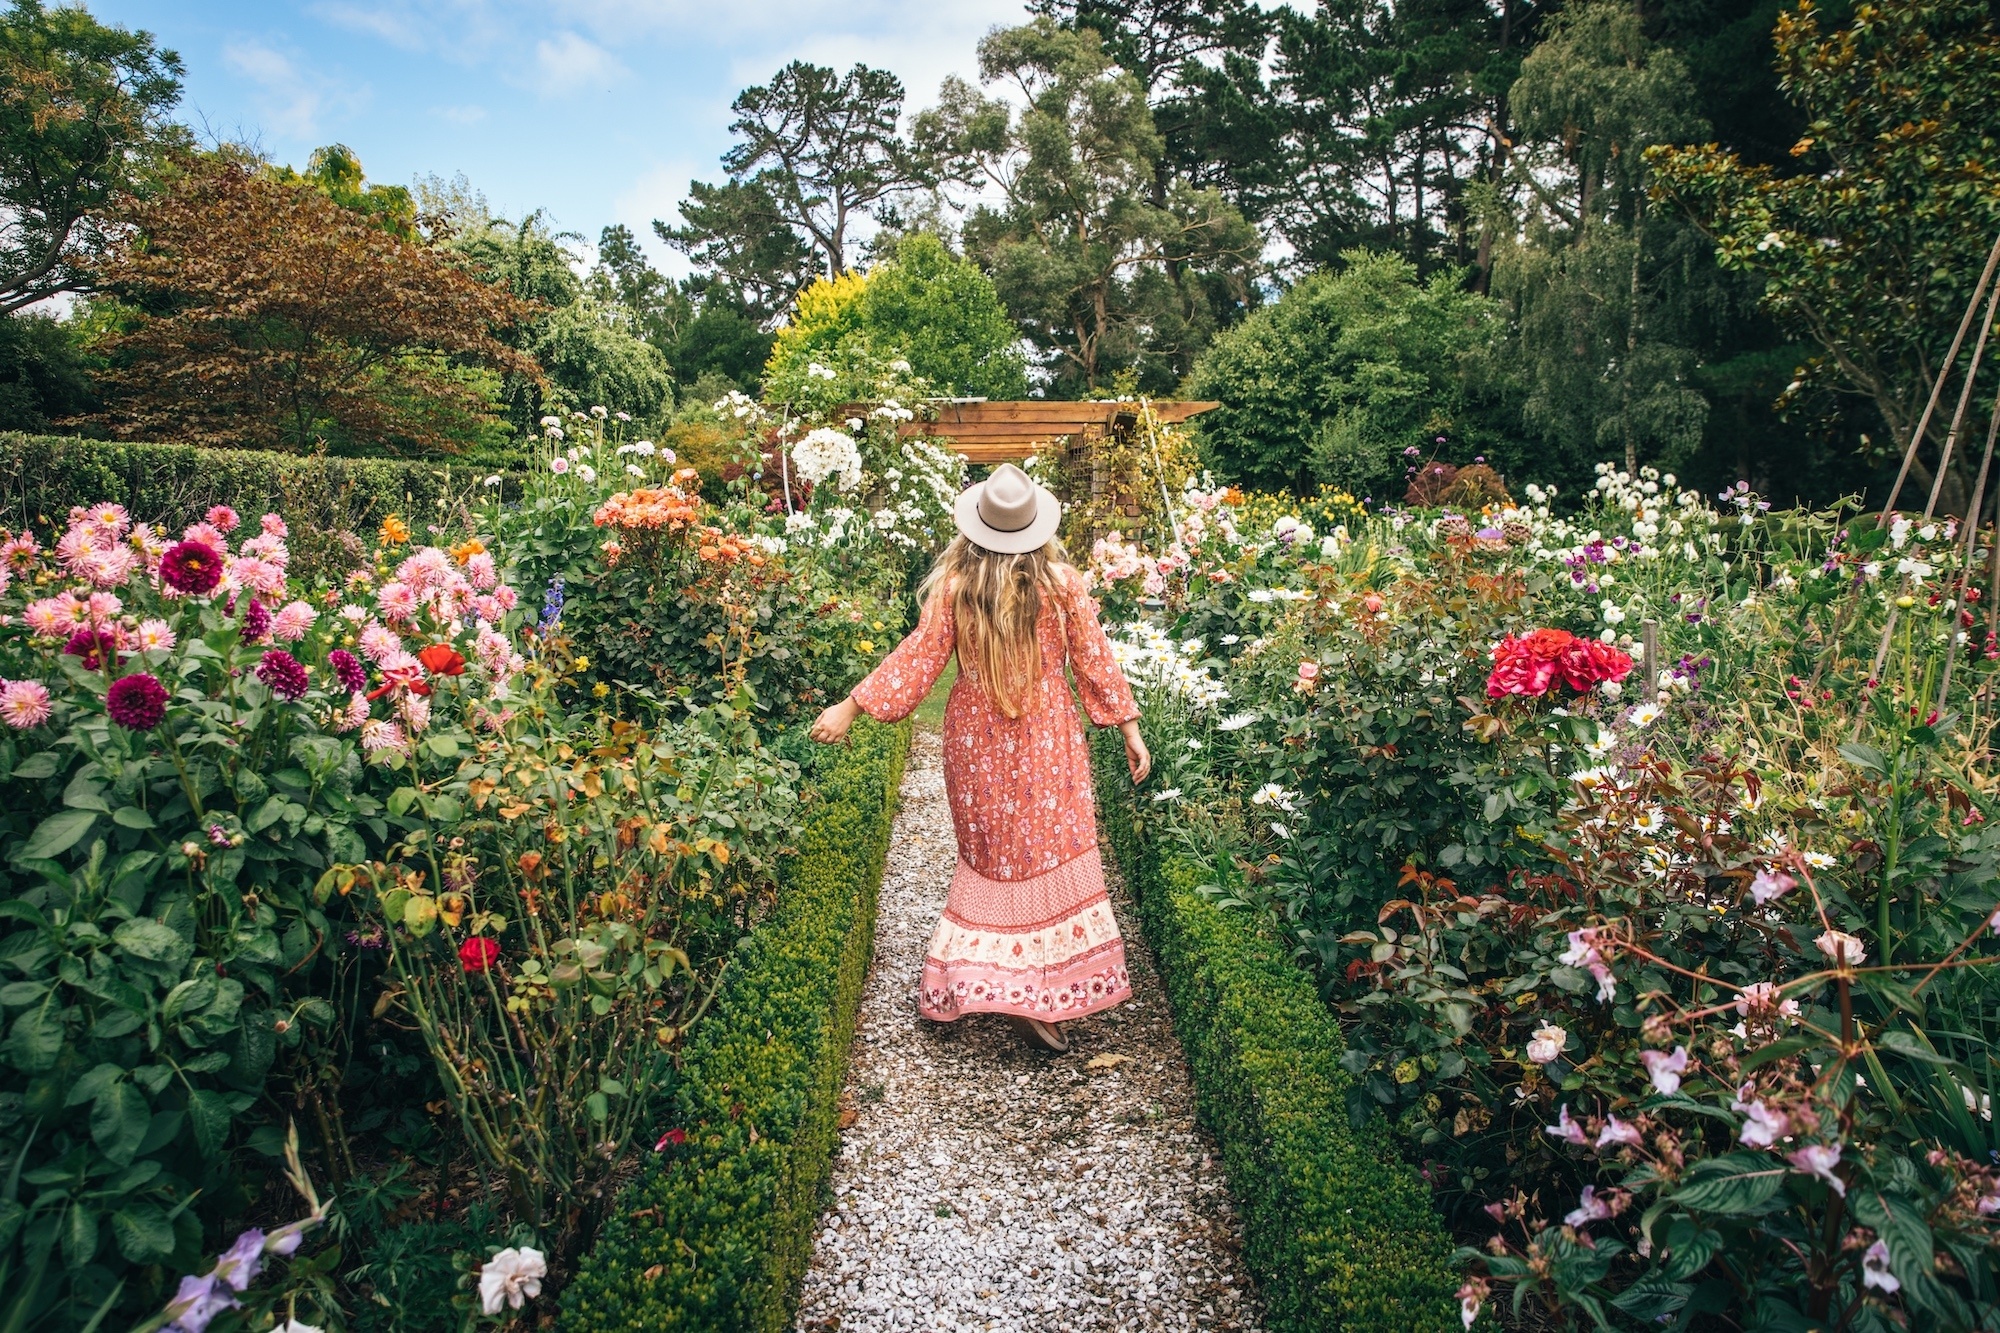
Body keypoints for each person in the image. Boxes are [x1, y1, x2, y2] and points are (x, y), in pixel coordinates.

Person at [810, 463, 1151, 1053]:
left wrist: (851, 705)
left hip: (975, 739)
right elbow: (1093, 658)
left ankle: (996, 982)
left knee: (992, 860)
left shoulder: (956, 587)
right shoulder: (1063, 584)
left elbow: (919, 658)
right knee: (1050, 852)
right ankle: (1040, 993)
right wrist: (1128, 726)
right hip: (1048, 735)